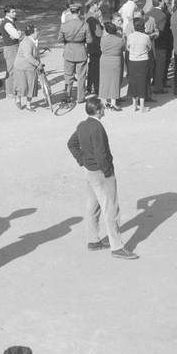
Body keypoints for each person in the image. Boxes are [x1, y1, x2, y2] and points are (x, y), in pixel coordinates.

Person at [66, 97, 138, 260]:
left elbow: (71, 144)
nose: (105, 109)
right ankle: (117, 247)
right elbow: (101, 152)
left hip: (90, 172)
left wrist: (82, 160)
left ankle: (93, 240)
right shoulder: (97, 127)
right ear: (98, 110)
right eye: (103, 108)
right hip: (101, 173)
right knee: (111, 209)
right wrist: (108, 172)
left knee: (93, 206)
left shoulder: (82, 125)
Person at [59, 1, 88, 105]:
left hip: (68, 52)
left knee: (68, 75)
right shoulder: (84, 25)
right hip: (80, 51)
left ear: (71, 12)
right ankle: (81, 97)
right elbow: (89, 40)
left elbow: (60, 40)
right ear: (79, 12)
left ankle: (68, 95)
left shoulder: (64, 25)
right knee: (81, 76)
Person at [11, 23, 42, 111]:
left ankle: (28, 105)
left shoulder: (33, 41)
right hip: (21, 67)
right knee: (22, 86)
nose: (38, 33)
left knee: (31, 86)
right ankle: (18, 99)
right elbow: (28, 56)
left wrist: (38, 62)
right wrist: (37, 63)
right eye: (37, 31)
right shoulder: (26, 41)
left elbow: (36, 53)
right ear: (32, 33)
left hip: (31, 67)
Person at [125, 17, 152, 112]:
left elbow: (128, 48)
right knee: (142, 82)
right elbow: (149, 47)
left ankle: (134, 105)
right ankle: (142, 106)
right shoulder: (146, 37)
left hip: (132, 60)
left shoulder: (130, 36)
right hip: (143, 61)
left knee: (133, 82)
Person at [99, 21, 125, 110]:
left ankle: (104, 101)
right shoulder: (120, 40)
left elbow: (101, 48)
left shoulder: (103, 39)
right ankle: (113, 103)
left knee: (104, 80)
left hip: (105, 60)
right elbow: (123, 48)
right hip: (115, 60)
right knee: (115, 81)